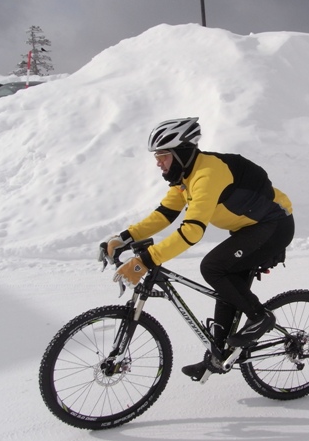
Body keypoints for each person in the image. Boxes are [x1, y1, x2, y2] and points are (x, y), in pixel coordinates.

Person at [100, 117, 294, 381]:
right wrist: (123, 237)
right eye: (157, 157)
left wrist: (146, 260)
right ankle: (219, 354)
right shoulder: (185, 177)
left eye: (163, 156)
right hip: (249, 228)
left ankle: (260, 318)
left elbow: (192, 231)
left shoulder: (207, 174)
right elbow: (165, 214)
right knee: (226, 283)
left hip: (274, 225)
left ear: (181, 154)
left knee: (212, 267)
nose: (158, 162)